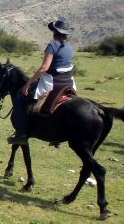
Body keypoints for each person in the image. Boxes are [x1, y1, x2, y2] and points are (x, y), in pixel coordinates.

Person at [7, 17, 76, 145]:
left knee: (19, 100)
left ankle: (21, 134)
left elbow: (44, 68)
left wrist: (27, 84)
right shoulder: (70, 47)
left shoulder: (52, 45)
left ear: (55, 32)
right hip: (68, 82)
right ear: (66, 34)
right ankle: (58, 139)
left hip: (52, 81)